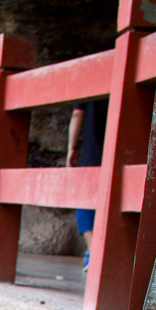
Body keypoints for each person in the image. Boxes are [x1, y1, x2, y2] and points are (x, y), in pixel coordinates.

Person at [67, 100, 108, 269]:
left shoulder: (92, 75)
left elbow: (77, 114)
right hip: (127, 150)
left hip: (93, 152)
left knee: (84, 198)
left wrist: (71, 148)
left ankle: (93, 251)